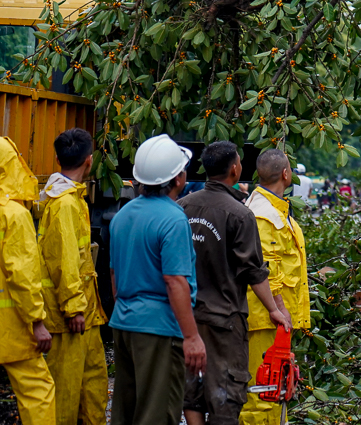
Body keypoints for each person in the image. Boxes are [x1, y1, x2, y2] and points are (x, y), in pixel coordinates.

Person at [178, 142, 291, 425]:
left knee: (191, 387)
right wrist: (273, 309)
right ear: (234, 169)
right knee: (226, 393)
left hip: (187, 317)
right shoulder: (240, 214)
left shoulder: (182, 207)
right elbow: (253, 271)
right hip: (225, 320)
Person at [109, 134, 205, 425]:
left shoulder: (122, 216)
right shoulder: (173, 219)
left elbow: (115, 274)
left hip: (124, 323)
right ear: (178, 178)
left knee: (126, 411)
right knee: (156, 414)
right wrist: (191, 337)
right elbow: (175, 281)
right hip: (159, 330)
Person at [37, 129, 108, 425]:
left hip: (85, 313)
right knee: (65, 393)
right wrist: (73, 307)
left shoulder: (69, 198)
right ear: (89, 161)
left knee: (93, 385)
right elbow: (64, 260)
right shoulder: (65, 202)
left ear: (57, 159)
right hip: (70, 316)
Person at [241, 149, 310, 425]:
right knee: (262, 394)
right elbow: (265, 270)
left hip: (274, 320)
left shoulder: (273, 210)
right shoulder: (263, 215)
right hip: (265, 319)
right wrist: (280, 309)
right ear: (286, 174)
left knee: (275, 391)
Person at [0, 137, 55, 425]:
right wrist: (37, 321)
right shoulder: (14, 215)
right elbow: (20, 274)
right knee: (38, 391)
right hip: (11, 324)